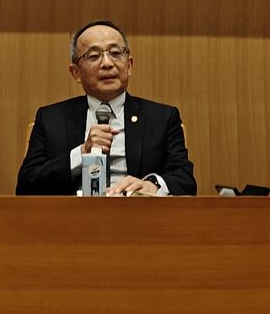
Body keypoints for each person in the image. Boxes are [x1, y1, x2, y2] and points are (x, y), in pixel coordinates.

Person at [16, 21, 195, 197]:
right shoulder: (51, 119)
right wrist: (81, 153)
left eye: (116, 53)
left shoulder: (162, 118)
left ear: (129, 65)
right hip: (72, 220)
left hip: (138, 218)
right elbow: (26, 186)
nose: (107, 63)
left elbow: (185, 182)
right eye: (93, 56)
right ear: (76, 73)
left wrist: (151, 185)